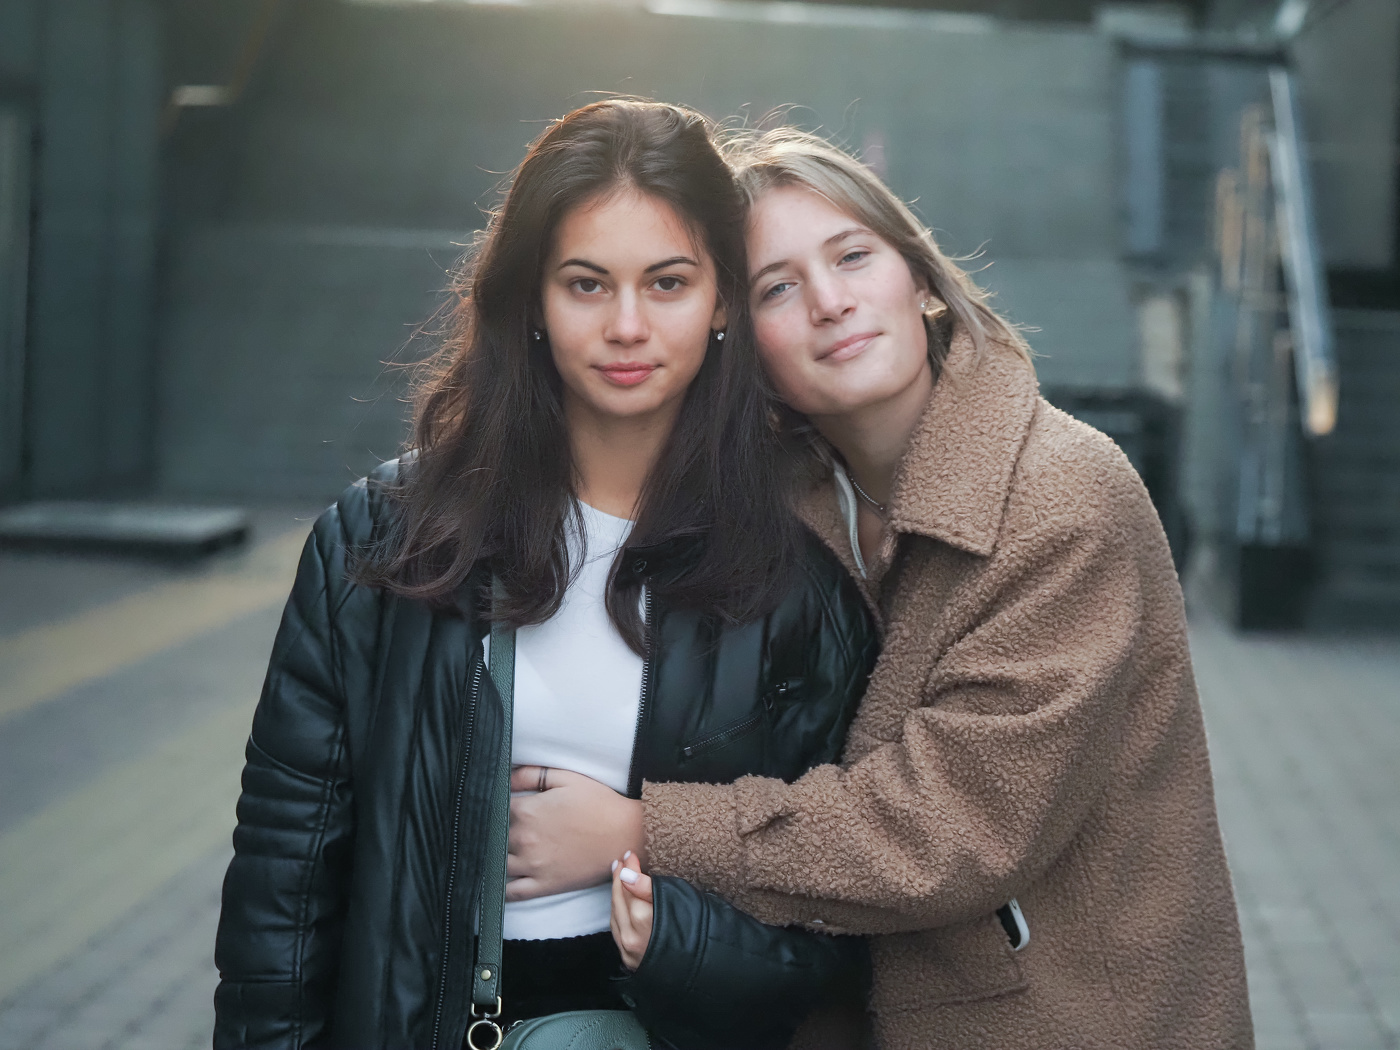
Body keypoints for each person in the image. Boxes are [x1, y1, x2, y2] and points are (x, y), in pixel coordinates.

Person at [556, 127, 1257, 1048]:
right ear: (743, 341)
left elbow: (948, 830)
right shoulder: (777, 505)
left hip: (1078, 1018)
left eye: (852, 256)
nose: (831, 303)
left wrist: (639, 829)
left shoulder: (1061, 497)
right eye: (778, 286)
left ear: (921, 280)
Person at [212, 101, 878, 1050]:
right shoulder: (384, 540)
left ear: (724, 299)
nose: (628, 326)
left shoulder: (795, 592)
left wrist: (677, 934)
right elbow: (285, 873)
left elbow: (825, 933)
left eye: (669, 282)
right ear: (531, 298)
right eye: (586, 284)